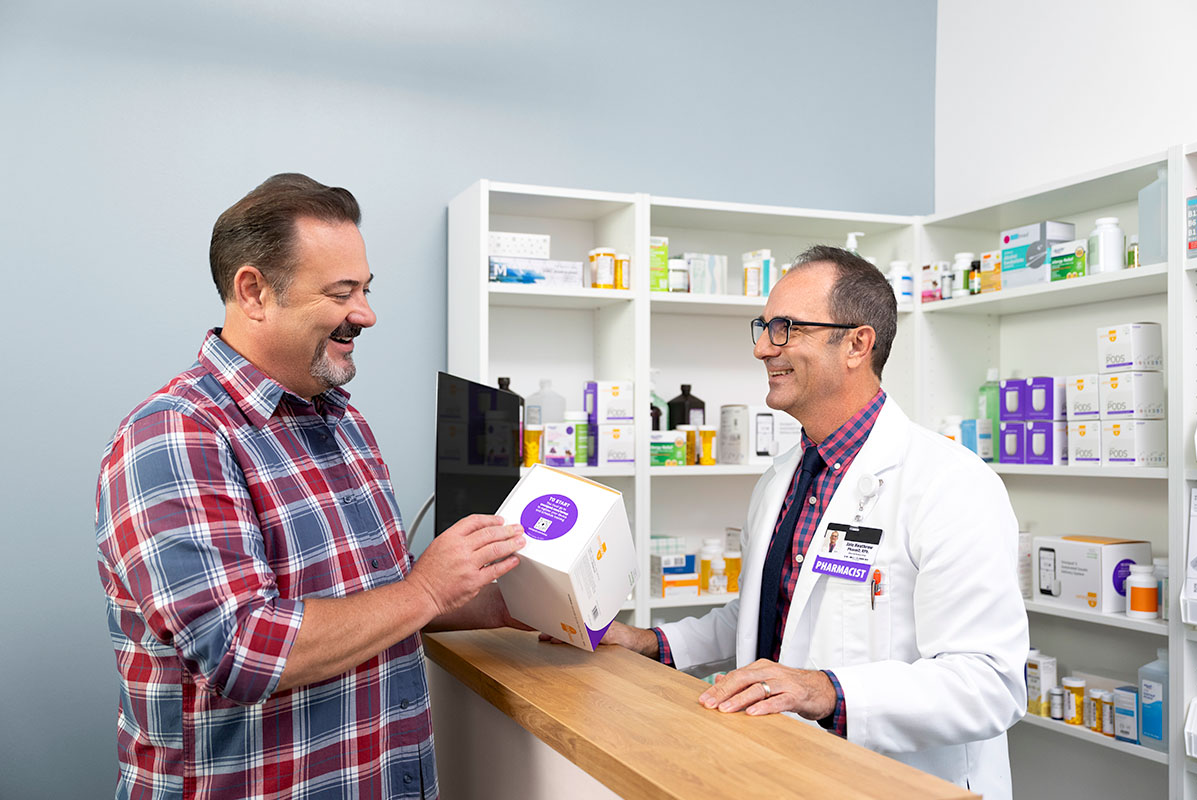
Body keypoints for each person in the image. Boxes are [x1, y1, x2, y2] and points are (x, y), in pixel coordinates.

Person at [94, 173, 527, 799]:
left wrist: (514, 606)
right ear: (254, 292)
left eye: (366, 289)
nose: (366, 313)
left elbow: (379, 594)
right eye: (341, 292)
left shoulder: (343, 423)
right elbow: (242, 650)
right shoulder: (176, 435)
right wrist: (429, 587)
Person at [602, 246, 1028, 797]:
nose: (762, 348)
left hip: (898, 783)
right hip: (787, 769)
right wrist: (646, 642)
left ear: (857, 344)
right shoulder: (781, 479)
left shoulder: (950, 484)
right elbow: (764, 616)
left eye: (786, 328)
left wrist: (825, 691)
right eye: (763, 327)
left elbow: (989, 682)